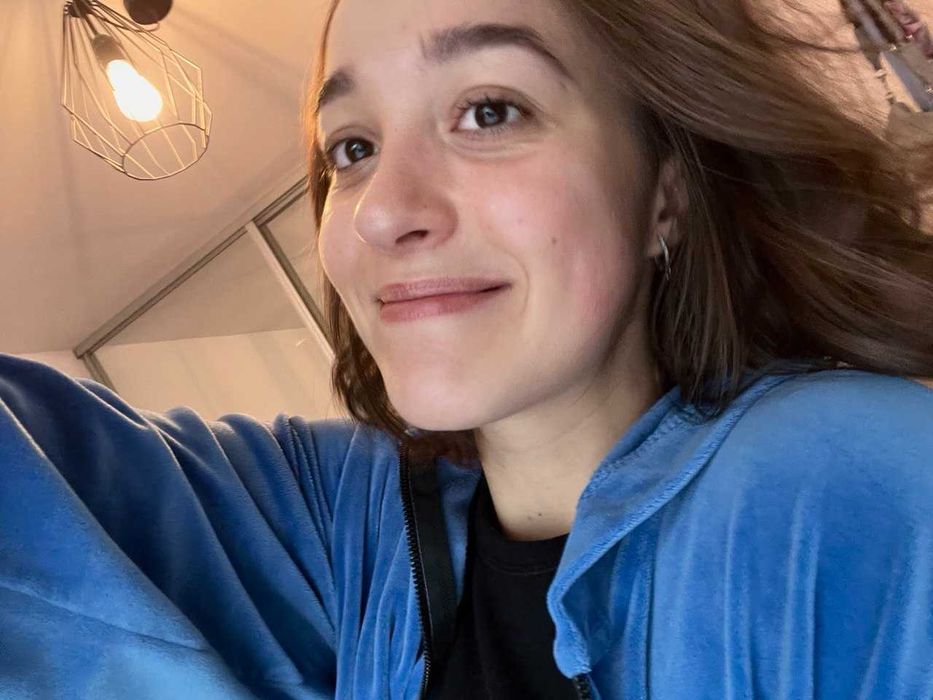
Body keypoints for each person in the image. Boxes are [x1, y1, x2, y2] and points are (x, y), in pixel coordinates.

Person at [2, 0, 932, 697]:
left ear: (665, 192)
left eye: (489, 111)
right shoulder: (341, 524)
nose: (382, 210)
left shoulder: (845, 477)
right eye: (351, 148)